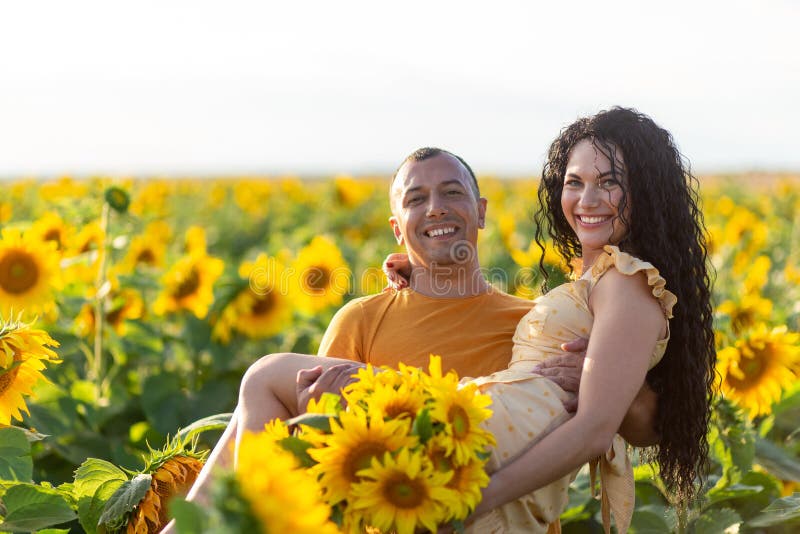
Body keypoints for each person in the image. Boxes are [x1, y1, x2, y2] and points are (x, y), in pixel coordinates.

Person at [178, 106, 716, 532]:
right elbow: (326, 452)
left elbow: (634, 422)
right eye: (417, 199)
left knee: (265, 378)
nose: (435, 209)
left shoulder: (531, 320)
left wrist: (595, 377)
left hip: (483, 502)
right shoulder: (362, 318)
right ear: (397, 227)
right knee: (276, 404)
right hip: (402, 505)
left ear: (480, 212)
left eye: (451, 192)